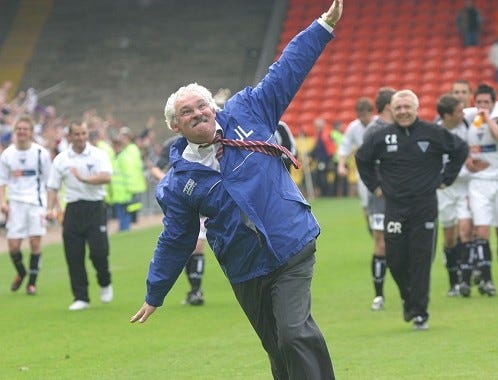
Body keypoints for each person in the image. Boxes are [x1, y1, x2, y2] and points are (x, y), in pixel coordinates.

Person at [131, 2, 344, 378]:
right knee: (277, 346)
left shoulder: (249, 111)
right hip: (245, 265)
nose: (197, 112)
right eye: (186, 112)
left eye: (201, 104)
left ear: (214, 107)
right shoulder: (180, 182)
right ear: (175, 127)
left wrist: (322, 27)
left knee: (295, 333)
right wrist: (155, 292)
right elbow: (177, 238)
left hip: (290, 241)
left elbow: (286, 71)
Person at [355, 89, 468, 330]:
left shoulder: (433, 133)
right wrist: (374, 186)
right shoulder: (382, 137)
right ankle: (408, 298)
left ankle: (420, 312)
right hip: (395, 208)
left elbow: (460, 149)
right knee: (395, 260)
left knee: (420, 259)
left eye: (407, 107)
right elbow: (362, 159)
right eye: (398, 108)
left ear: (416, 109)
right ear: (392, 111)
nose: (403, 112)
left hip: (424, 207)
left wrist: (446, 179)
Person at [46, 121, 114, 311]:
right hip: (73, 209)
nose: (81, 137)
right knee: (74, 255)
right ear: (70, 137)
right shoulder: (61, 159)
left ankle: (104, 281)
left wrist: (84, 179)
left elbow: (106, 177)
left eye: (84, 133)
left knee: (98, 252)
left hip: (95, 208)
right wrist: (50, 208)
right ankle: (81, 297)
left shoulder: (98, 154)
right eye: (77, 134)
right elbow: (53, 186)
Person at [149, 135, 207, 306]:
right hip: (181, 201)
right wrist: (171, 181)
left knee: (198, 245)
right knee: (187, 246)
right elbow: (155, 168)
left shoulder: (208, 138)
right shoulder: (172, 144)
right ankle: (193, 289)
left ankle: (196, 290)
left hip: (204, 197)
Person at [0, 115, 52, 295]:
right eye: (19, 129)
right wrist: (2, 202)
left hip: (36, 202)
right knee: (13, 245)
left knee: (34, 242)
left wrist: (52, 206)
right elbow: (2, 181)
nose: (22, 132)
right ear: (15, 132)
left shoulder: (41, 153)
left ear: (31, 132)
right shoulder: (7, 154)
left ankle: (32, 283)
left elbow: (49, 181)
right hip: (15, 204)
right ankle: (21, 273)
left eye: (25, 129)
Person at [435, 93, 478, 297]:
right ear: (447, 115)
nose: (463, 113)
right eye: (459, 111)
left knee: (465, 230)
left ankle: (464, 278)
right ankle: (453, 281)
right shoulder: (436, 132)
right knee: (450, 237)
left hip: (467, 186)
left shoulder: (469, 124)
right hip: (445, 189)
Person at [359, 87, 395, 311]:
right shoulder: (373, 131)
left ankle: (407, 290)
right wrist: (376, 187)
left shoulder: (403, 128)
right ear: (388, 106)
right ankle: (379, 296)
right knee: (380, 242)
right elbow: (365, 162)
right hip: (381, 197)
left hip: (402, 196)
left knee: (402, 244)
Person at [461, 83, 498, 297]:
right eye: (479, 102)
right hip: (478, 183)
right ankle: (486, 279)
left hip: (497, 179)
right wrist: (466, 159)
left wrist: (488, 119)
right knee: (481, 230)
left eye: (486, 102)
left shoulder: (492, 117)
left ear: (493, 103)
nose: (482, 106)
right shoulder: (469, 118)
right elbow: (460, 142)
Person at [338, 97, 376, 233]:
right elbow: (345, 146)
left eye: (365, 115)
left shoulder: (380, 124)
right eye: (360, 116)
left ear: (372, 113)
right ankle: (371, 226)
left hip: (381, 168)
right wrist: (341, 165)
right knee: (366, 204)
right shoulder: (354, 127)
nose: (363, 119)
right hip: (364, 171)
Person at [309, 117, 336, 196]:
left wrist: (329, 160)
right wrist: (311, 154)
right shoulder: (318, 134)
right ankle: (323, 193)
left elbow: (329, 148)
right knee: (320, 176)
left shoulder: (326, 134)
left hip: (325, 160)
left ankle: (326, 193)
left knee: (323, 177)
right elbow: (317, 148)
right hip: (320, 160)